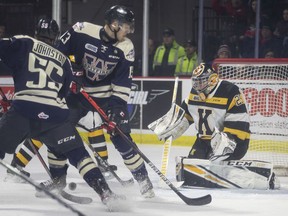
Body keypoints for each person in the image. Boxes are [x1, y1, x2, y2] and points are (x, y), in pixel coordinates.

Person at [0, 18, 123, 207]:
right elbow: (63, 93)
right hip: (55, 114)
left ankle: (33, 171)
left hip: (24, 109)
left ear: (35, 32)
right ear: (56, 36)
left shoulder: (24, 42)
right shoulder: (63, 59)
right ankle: (106, 194)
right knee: (78, 154)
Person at [56, 5, 155, 198]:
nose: (128, 31)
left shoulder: (126, 47)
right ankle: (57, 178)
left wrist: (118, 107)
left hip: (107, 98)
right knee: (60, 130)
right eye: (126, 26)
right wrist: (71, 72)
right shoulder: (81, 29)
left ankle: (144, 181)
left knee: (123, 138)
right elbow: (58, 53)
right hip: (79, 95)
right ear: (114, 24)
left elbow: (123, 82)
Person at [149, 63, 279, 189]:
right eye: (196, 82)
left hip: (233, 142)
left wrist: (222, 145)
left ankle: (253, 176)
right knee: (191, 172)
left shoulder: (230, 91)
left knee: (217, 159)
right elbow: (185, 116)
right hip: (204, 141)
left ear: (212, 80)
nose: (197, 85)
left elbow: (239, 127)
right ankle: (218, 168)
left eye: (201, 81)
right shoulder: (194, 93)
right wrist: (171, 126)